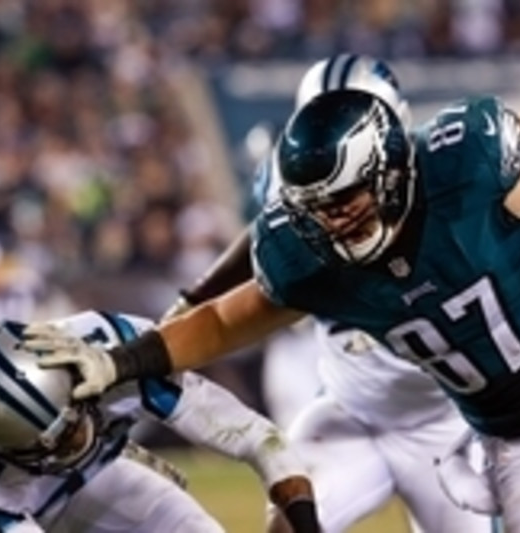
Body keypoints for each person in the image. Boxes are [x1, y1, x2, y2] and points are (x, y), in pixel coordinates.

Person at [22, 81, 520, 531]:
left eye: (344, 198)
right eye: (314, 208)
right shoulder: (309, 255)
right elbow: (224, 319)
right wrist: (118, 359)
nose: (332, 220)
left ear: (388, 168)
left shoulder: (471, 163)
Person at [167, 54, 493, 533]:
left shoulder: (444, 186)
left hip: (446, 425)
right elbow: (264, 233)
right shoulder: (293, 184)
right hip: (351, 409)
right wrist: (197, 296)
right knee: (291, 522)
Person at [0, 311, 321, 532]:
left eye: (74, 420)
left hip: (96, 482)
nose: (77, 443)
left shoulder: (109, 349)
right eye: (55, 444)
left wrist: (305, 524)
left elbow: (256, 439)